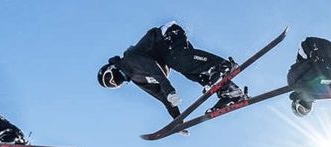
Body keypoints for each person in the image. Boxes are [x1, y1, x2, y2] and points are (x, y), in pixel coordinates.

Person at [97, 21, 248, 118]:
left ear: (112, 68)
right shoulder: (137, 79)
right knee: (191, 73)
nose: (115, 81)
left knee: (177, 61)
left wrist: (170, 91)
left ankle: (221, 65)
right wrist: (177, 119)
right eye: (113, 85)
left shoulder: (130, 59)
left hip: (167, 36)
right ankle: (230, 92)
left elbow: (154, 70)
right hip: (170, 54)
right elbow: (161, 96)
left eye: (111, 78)